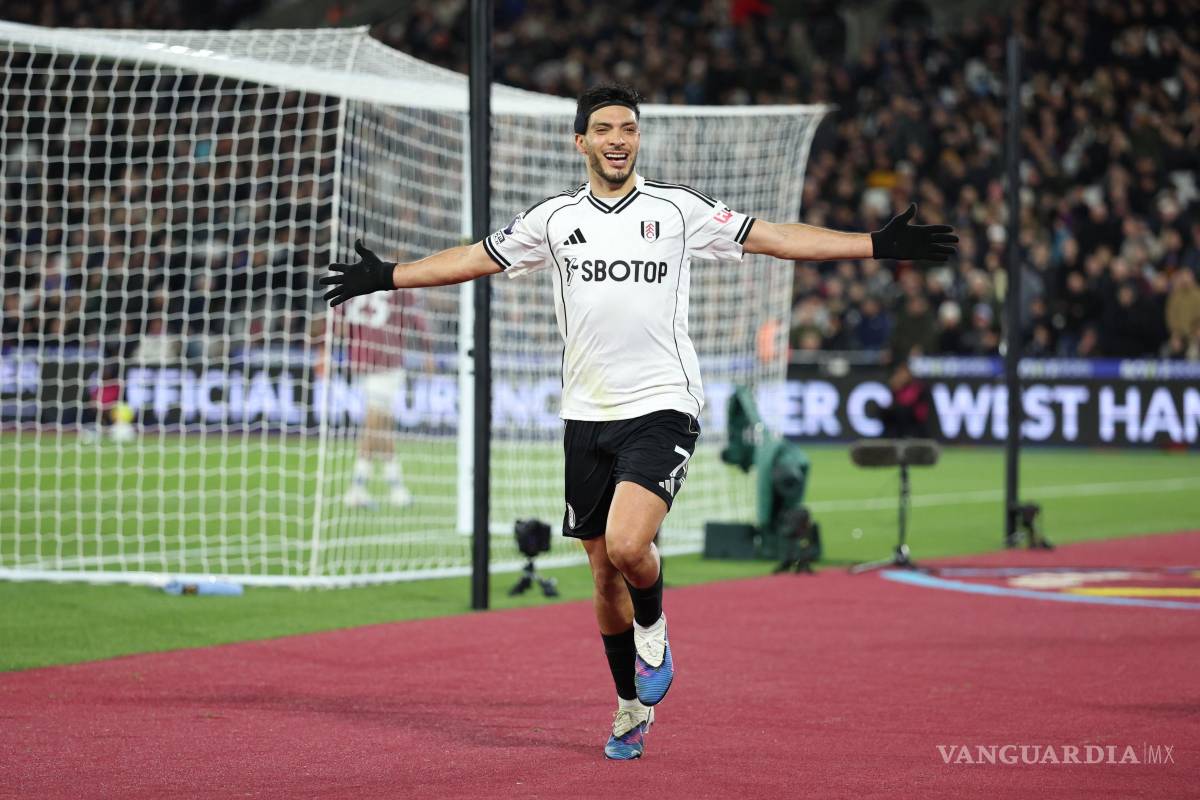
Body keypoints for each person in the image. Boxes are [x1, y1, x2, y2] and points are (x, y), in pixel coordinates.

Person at [320, 83, 956, 759]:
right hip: (585, 414)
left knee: (628, 548)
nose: (618, 139)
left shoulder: (677, 209)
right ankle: (629, 709)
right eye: (604, 129)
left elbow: (771, 236)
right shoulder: (554, 220)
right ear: (582, 143)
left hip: (663, 406)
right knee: (600, 573)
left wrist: (873, 245)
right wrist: (389, 276)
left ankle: (654, 628)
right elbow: (475, 257)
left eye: (628, 127)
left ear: (638, 138)